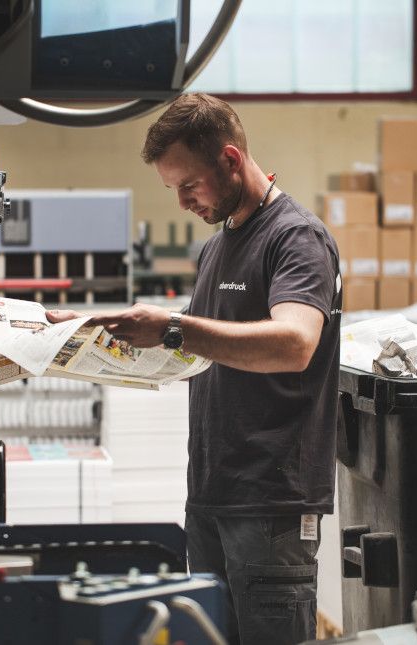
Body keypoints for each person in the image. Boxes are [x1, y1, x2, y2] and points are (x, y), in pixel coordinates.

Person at [47, 93, 341, 644]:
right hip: (211, 492)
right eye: (172, 189)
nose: (182, 202)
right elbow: (198, 348)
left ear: (230, 160)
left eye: (189, 185)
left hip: (270, 502)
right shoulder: (215, 250)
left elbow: (296, 343)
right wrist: (87, 330)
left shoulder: (295, 238)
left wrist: (175, 326)